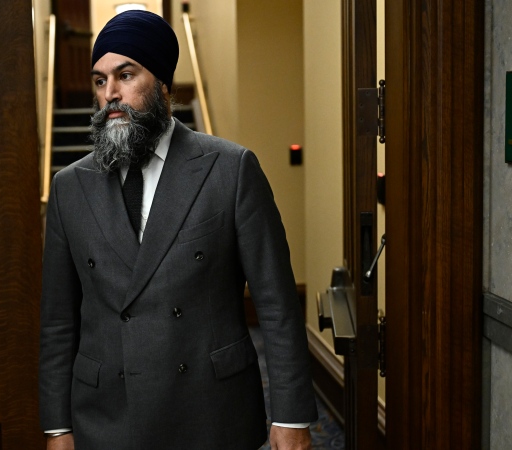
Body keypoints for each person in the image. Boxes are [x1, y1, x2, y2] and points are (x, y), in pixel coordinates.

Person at [39, 10, 317, 450]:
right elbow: (57, 322)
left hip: (210, 411)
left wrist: (292, 416)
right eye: (99, 80)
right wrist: (57, 427)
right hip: (106, 415)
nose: (110, 94)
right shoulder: (69, 186)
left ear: (164, 84)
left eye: (125, 75)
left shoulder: (230, 169)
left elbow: (277, 305)